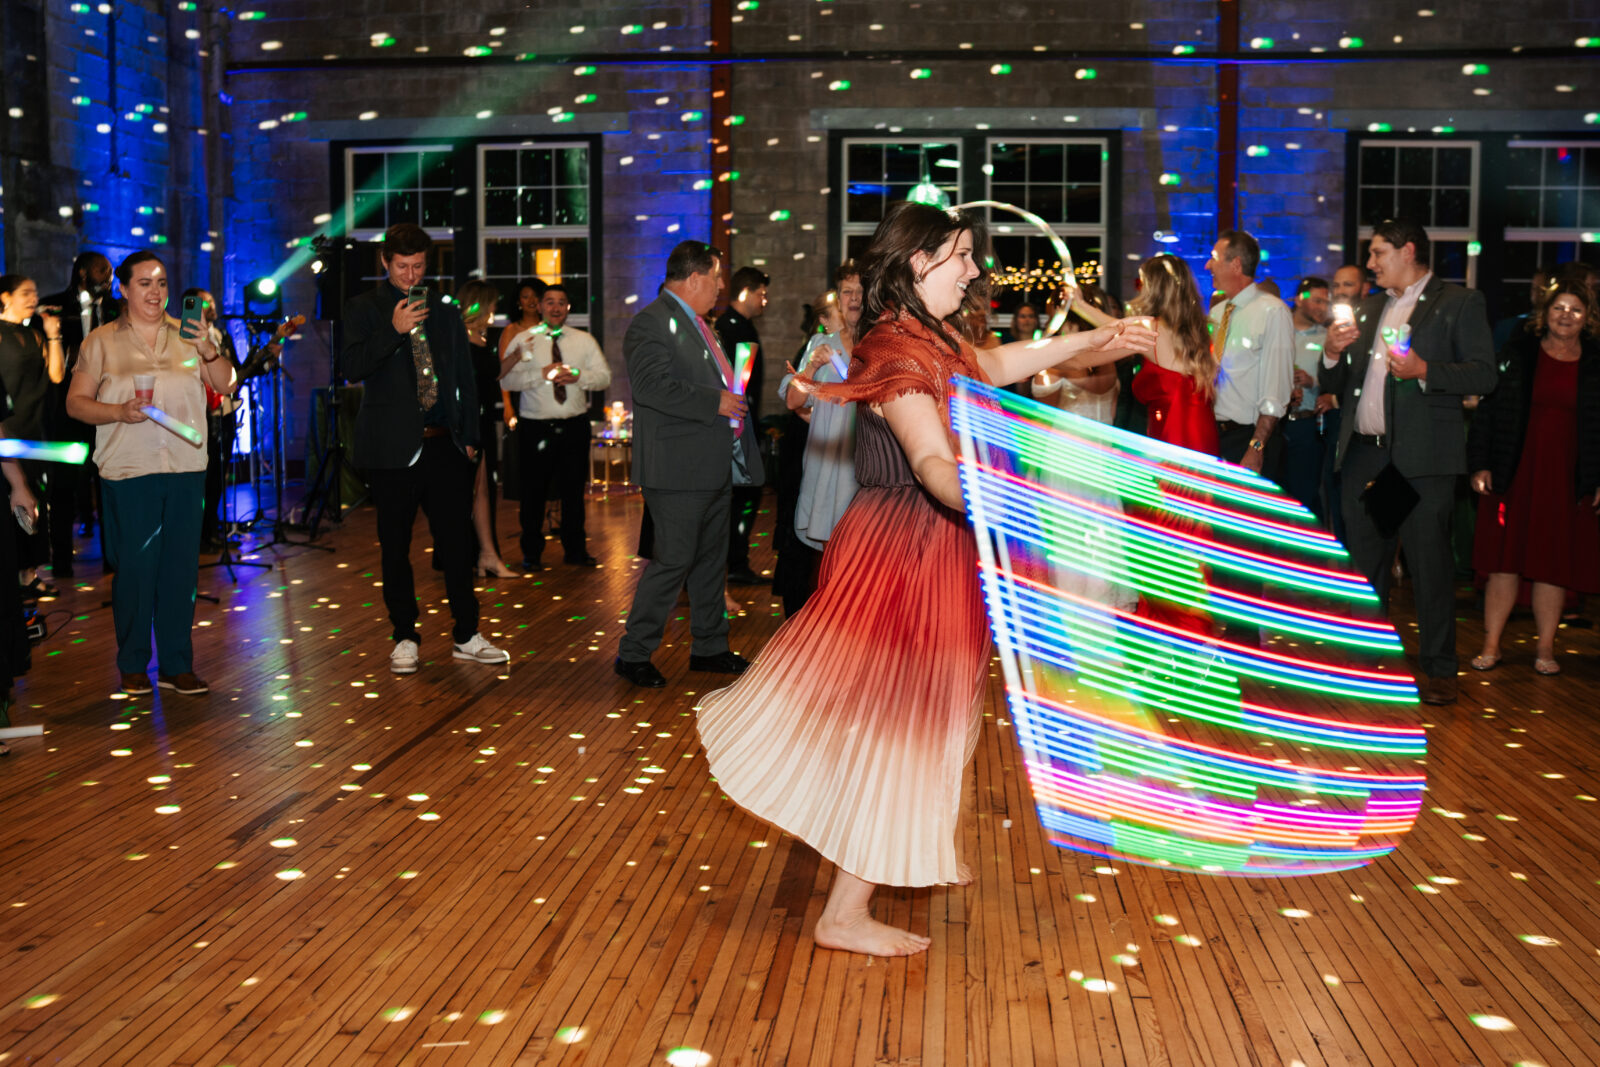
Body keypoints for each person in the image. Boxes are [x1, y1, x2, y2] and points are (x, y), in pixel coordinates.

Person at [695, 201, 1155, 956]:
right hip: (908, 547)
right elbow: (935, 464)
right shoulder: (895, 353)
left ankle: (904, 848)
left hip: (930, 542)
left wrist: (1091, 338)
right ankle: (846, 910)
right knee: (903, 724)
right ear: (919, 262)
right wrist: (1005, 494)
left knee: (914, 718)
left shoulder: (931, 335)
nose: (974, 270)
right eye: (962, 255)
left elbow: (991, 366)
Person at [1319, 218, 1497, 706]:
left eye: (1378, 253)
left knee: (1428, 567)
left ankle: (1439, 669)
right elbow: (1337, 384)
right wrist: (1331, 355)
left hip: (1422, 460)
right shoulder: (1369, 307)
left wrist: (1425, 370)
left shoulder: (1458, 302)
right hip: (1366, 457)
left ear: (1408, 251)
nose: (1370, 263)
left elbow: (1484, 374)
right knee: (1364, 569)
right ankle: (1364, 667)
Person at [64, 252, 236, 695]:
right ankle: (133, 663)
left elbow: (226, 384)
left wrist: (208, 349)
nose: (155, 292)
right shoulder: (100, 341)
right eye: (144, 283)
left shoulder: (190, 334)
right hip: (129, 469)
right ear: (123, 289)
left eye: (161, 282)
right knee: (136, 571)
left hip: (185, 468)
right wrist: (118, 411)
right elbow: (75, 404)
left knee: (180, 570)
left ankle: (177, 665)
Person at [341, 223, 508, 675]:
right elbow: (352, 367)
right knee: (394, 547)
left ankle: (467, 634)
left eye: (418, 267)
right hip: (391, 449)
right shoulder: (363, 307)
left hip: (444, 444)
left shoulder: (445, 311)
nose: (411, 275)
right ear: (385, 262)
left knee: (457, 544)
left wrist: (469, 438)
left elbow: (463, 377)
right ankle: (404, 636)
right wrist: (393, 330)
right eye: (402, 267)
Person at [615, 241, 765, 689]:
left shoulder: (701, 323)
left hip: (711, 462)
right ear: (695, 277)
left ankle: (710, 647)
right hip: (676, 468)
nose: (721, 287)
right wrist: (715, 400)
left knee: (710, 562)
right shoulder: (651, 322)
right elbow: (649, 386)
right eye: (716, 278)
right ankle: (633, 653)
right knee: (673, 562)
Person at [1467, 283, 1600, 675]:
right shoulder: (1518, 353)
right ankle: (1491, 646)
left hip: (1565, 479)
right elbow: (1488, 412)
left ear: (1588, 318)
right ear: (1545, 312)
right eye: (1559, 307)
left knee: (1551, 563)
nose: (1565, 316)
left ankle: (1545, 649)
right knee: (1504, 561)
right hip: (1514, 470)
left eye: (1575, 309)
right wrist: (1480, 464)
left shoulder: (1596, 362)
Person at [498, 283, 610, 569]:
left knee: (574, 491)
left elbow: (604, 378)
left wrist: (579, 375)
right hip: (535, 427)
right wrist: (541, 374)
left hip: (574, 425)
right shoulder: (524, 339)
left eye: (561, 302)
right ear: (540, 306)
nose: (556, 307)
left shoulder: (584, 340)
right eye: (550, 302)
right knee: (533, 492)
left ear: (568, 308)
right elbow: (506, 380)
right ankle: (531, 554)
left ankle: (575, 551)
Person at [1069, 256, 1220, 453]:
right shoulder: (1202, 329)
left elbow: (1113, 328)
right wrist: (1079, 305)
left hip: (1175, 434)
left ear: (1154, 288)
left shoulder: (1151, 329)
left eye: (1140, 283)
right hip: (1203, 431)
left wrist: (1078, 305)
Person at [773, 289, 858, 615]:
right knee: (826, 562)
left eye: (860, 291)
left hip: (865, 468)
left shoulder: (880, 345)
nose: (854, 298)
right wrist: (810, 366)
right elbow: (794, 400)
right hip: (828, 466)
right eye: (847, 291)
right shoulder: (822, 344)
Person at [41, 252, 115, 577]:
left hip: (108, 411)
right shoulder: (54, 306)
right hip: (67, 411)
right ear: (83, 273)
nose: (108, 277)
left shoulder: (117, 309)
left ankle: (113, 558)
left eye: (110, 272)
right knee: (64, 488)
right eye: (102, 271)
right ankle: (61, 561)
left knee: (109, 485)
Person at [1205, 230, 1294, 477]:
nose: (1207, 265)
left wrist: (1256, 447)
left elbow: (1276, 390)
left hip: (1248, 438)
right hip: (1214, 435)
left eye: (1214, 258)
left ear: (1236, 264)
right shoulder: (1217, 313)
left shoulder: (1273, 312)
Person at [0, 275, 66, 597]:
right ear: (5, 297)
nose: (33, 298)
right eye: (25, 293)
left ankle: (29, 575)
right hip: (6, 428)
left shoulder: (34, 334)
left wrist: (53, 334)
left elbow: (56, 375)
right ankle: (12, 578)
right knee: (11, 502)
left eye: (35, 292)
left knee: (35, 501)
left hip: (34, 429)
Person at [457, 279, 514, 578]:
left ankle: (485, 555)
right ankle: (472, 555)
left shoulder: (480, 337)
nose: (494, 309)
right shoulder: (458, 339)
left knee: (483, 489)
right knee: (470, 490)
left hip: (483, 420)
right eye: (492, 303)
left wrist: (516, 356)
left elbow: (493, 374)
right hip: (468, 422)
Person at [717, 266, 770, 586]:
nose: (765, 301)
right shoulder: (732, 328)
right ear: (746, 292)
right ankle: (734, 563)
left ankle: (735, 561)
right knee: (744, 495)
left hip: (741, 424)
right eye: (761, 294)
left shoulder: (740, 326)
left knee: (744, 494)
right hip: (735, 427)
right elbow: (738, 384)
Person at [1283, 276, 1332, 520]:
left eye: (1326, 302)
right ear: (1299, 300)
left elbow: (1338, 382)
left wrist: (1313, 382)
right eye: (1317, 301)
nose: (1323, 307)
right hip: (1275, 424)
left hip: (1307, 425)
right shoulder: (1279, 330)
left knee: (1305, 496)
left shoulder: (1327, 337)